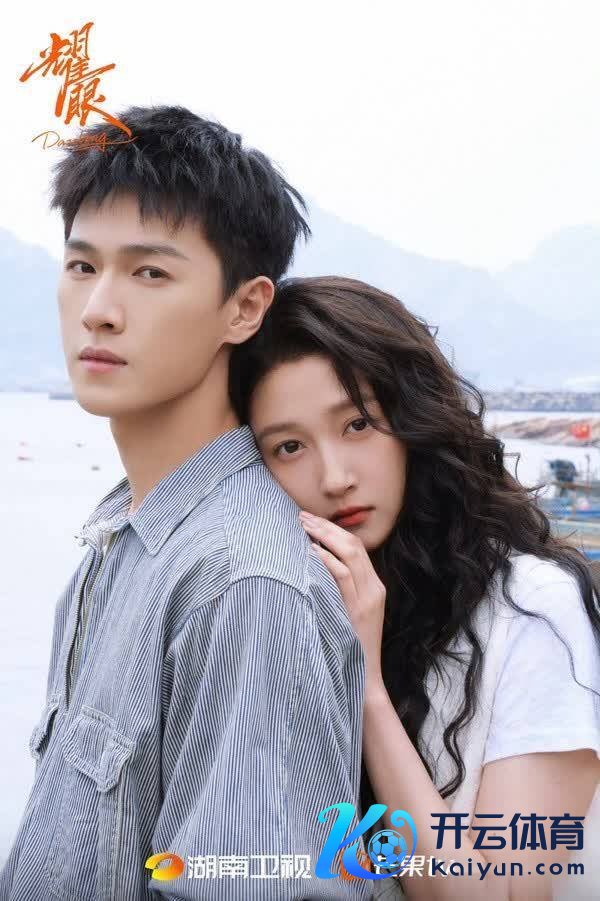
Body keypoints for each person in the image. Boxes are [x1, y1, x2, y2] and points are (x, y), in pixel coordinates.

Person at [0, 110, 372, 901]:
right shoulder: (123, 535)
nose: (99, 308)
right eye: (81, 265)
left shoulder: (243, 584)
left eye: (150, 273)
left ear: (245, 308)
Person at [229, 275, 600, 900]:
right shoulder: (292, 605)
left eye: (357, 425)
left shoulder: (533, 606)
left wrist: (367, 685)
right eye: (289, 446)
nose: (334, 477)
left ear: (413, 420)